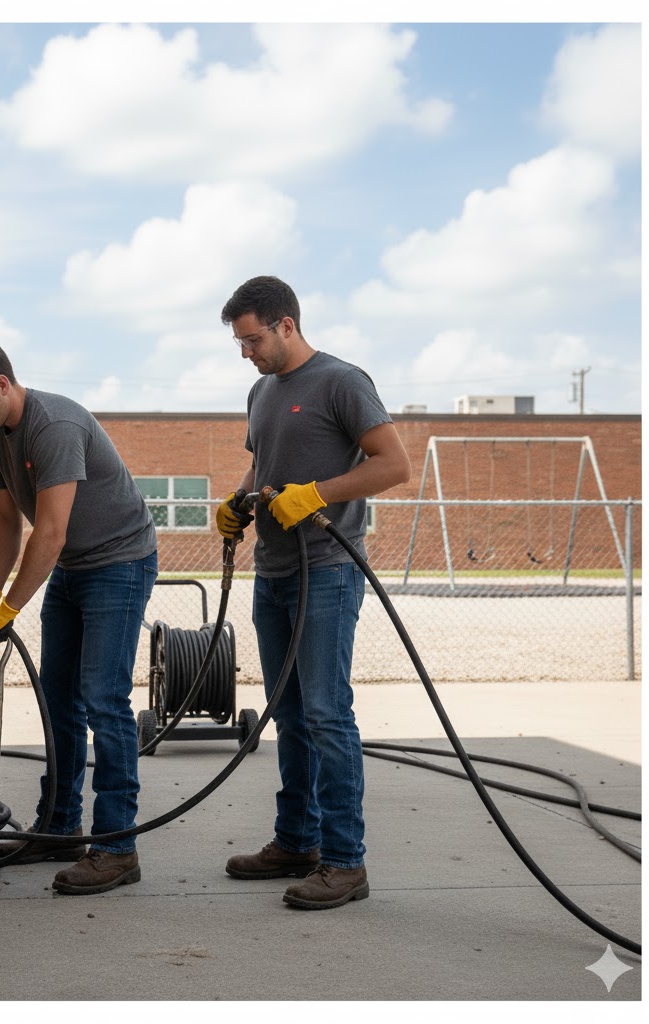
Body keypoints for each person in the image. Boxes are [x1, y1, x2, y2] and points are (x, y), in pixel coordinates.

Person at [0, 335, 158, 895]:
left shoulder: (54, 427)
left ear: (2, 385)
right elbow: (7, 520)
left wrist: (12, 605)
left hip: (119, 562)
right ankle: (59, 826)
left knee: (104, 699)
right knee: (58, 698)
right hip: (76, 567)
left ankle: (115, 847)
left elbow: (50, 530)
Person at [216, 276, 411, 910]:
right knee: (289, 715)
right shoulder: (260, 391)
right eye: (240, 343)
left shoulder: (341, 381)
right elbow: (263, 462)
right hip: (272, 573)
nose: (247, 352)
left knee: (327, 714)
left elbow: (393, 464)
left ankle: (345, 861)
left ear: (286, 325)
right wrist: (242, 498)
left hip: (325, 570)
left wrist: (319, 494)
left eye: (252, 340)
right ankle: (297, 841)